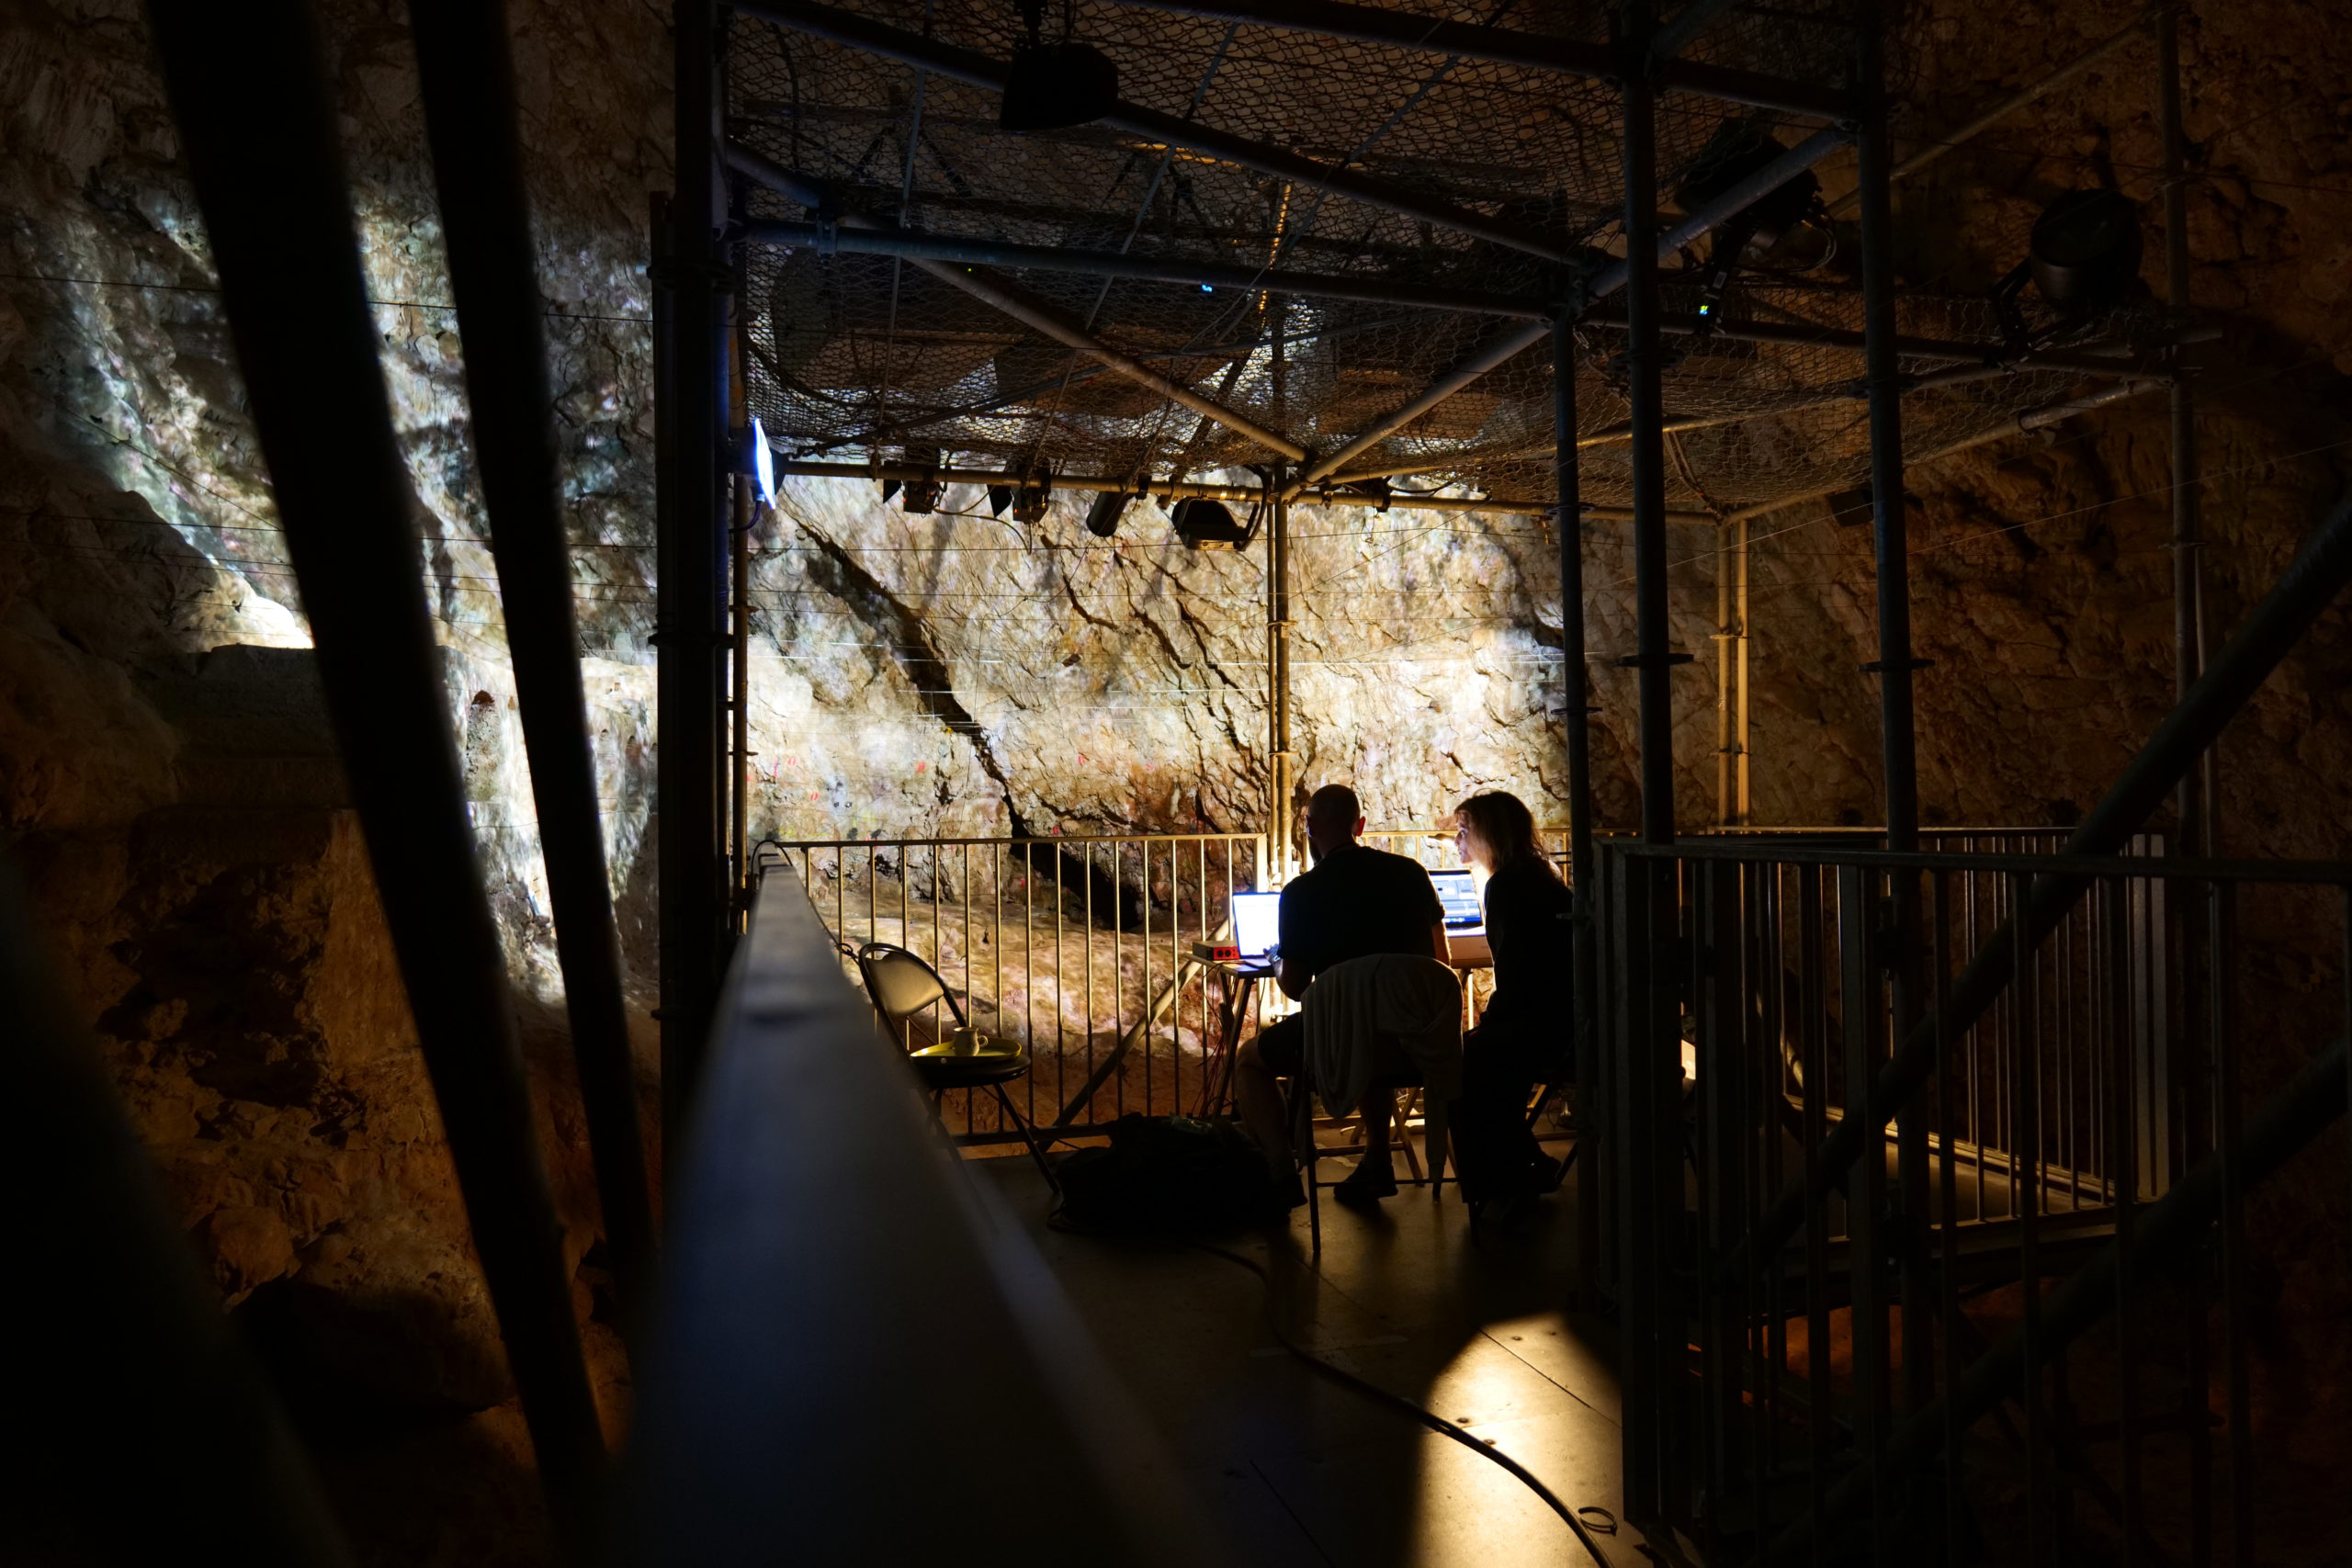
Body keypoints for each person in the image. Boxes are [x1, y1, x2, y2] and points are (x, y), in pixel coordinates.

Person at [1233, 784, 1446, 1205]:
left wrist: (1278, 961)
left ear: (1308, 827)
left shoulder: (1303, 892)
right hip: (1419, 1043)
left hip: (1346, 1044)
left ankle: (1280, 1170)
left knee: (1248, 1060)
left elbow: (1294, 987)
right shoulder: (1411, 873)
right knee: (1369, 1022)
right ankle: (1377, 1160)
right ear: (1360, 826)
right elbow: (1441, 960)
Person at [1448, 791, 1573, 1209]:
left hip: (1546, 1026)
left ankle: (1495, 1180)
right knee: (1487, 1057)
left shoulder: (1504, 886)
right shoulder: (1541, 877)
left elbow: (1518, 969)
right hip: (1565, 1018)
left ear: (1490, 835)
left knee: (1470, 1059)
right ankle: (1523, 1163)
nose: (1457, 841)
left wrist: (1494, 1017)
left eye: (1465, 831)